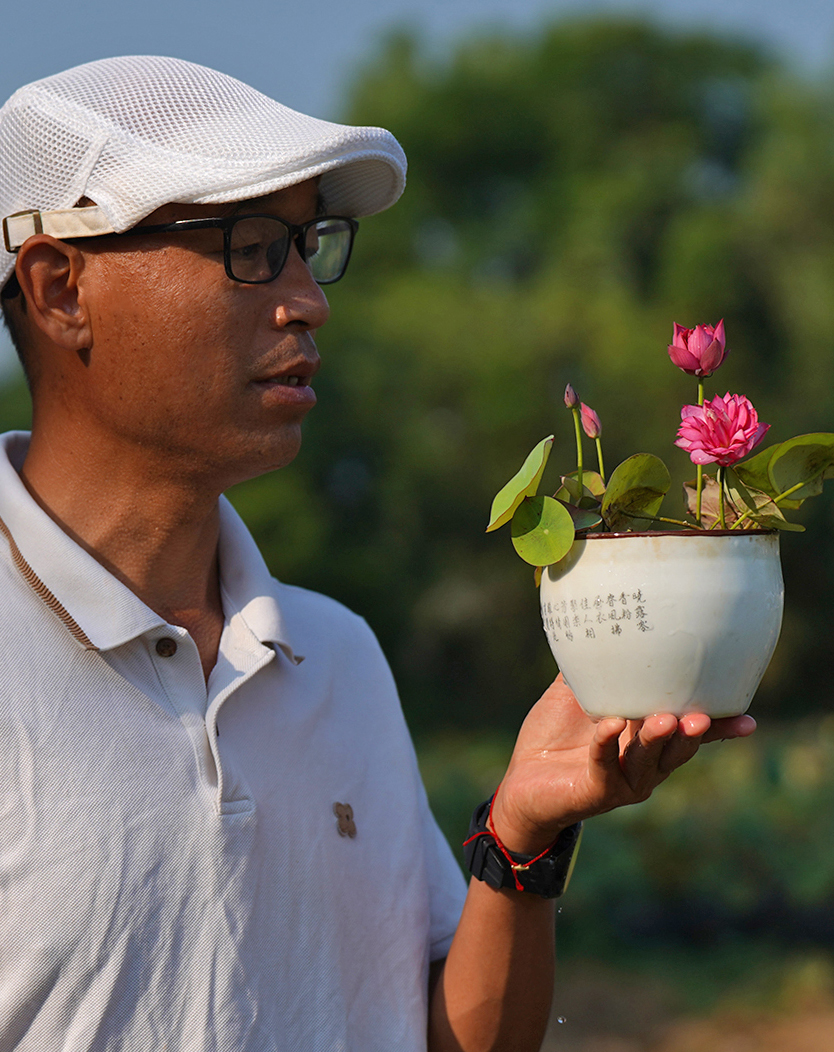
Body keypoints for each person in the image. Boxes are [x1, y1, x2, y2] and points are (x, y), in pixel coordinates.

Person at [0, 56, 756, 1052]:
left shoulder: (334, 655)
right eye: (253, 247)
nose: (307, 301)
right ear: (61, 289)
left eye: (309, 247)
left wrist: (517, 839)